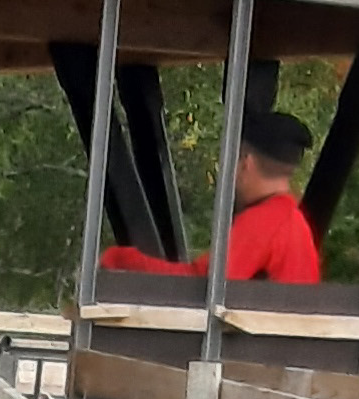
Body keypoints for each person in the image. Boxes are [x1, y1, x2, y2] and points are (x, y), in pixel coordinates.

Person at [101, 100, 321, 292]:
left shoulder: (263, 222)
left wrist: (122, 260)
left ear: (246, 162)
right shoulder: (295, 222)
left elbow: (202, 287)